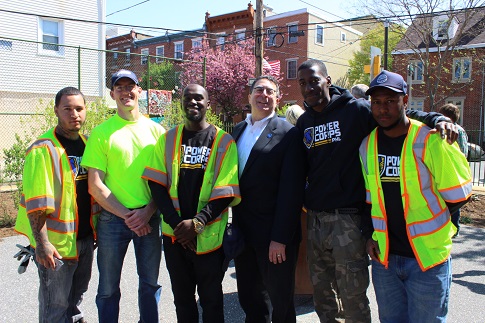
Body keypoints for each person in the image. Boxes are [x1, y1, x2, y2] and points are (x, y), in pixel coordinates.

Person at [296, 60, 457, 322]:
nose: (309, 87)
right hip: (315, 219)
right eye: (302, 83)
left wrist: (435, 117)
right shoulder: (303, 123)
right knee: (323, 296)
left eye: (314, 80)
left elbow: (393, 115)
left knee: (352, 298)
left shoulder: (355, 110)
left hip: (347, 219)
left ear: (327, 80)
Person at [360, 70, 472, 322]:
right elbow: (369, 201)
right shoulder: (367, 145)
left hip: (427, 261)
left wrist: (437, 231)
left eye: (390, 101)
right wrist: (369, 236)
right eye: (376, 102)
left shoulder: (431, 139)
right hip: (385, 261)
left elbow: (458, 197)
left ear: (405, 101)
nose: (382, 109)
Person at [142, 84, 240, 322]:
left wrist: (197, 224)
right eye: (188, 98)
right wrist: (179, 227)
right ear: (181, 103)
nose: (193, 103)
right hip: (175, 237)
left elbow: (227, 190)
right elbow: (156, 184)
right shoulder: (167, 139)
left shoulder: (223, 141)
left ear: (208, 104)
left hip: (208, 238)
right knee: (182, 301)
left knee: (212, 301)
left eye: (199, 99)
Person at [81, 69, 165, 323]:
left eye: (131, 86)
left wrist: (147, 212)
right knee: (107, 289)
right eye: (120, 87)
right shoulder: (101, 133)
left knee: (150, 285)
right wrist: (130, 217)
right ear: (112, 94)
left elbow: (165, 181)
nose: (126, 91)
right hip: (113, 221)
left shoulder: (157, 132)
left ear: (140, 91)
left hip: (149, 217)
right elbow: (96, 185)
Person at [14, 87, 94, 322]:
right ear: (56, 110)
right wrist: (42, 244)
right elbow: (36, 204)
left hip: (84, 240)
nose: (74, 114)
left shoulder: (88, 144)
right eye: (67, 109)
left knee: (75, 300)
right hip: (56, 246)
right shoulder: (43, 149)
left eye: (79, 108)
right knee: (55, 307)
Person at [232, 75, 306, 323]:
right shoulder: (238, 130)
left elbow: (291, 191)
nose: (264, 95)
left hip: (274, 236)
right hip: (244, 234)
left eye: (270, 91)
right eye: (259, 90)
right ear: (249, 95)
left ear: (278, 98)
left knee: (281, 302)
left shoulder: (288, 133)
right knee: (251, 299)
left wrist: (280, 239)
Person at [439, 103, 469, 236]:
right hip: (442, 169)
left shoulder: (458, 131)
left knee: (454, 199)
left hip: (454, 171)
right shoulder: (439, 128)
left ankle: (455, 227)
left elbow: (462, 152)